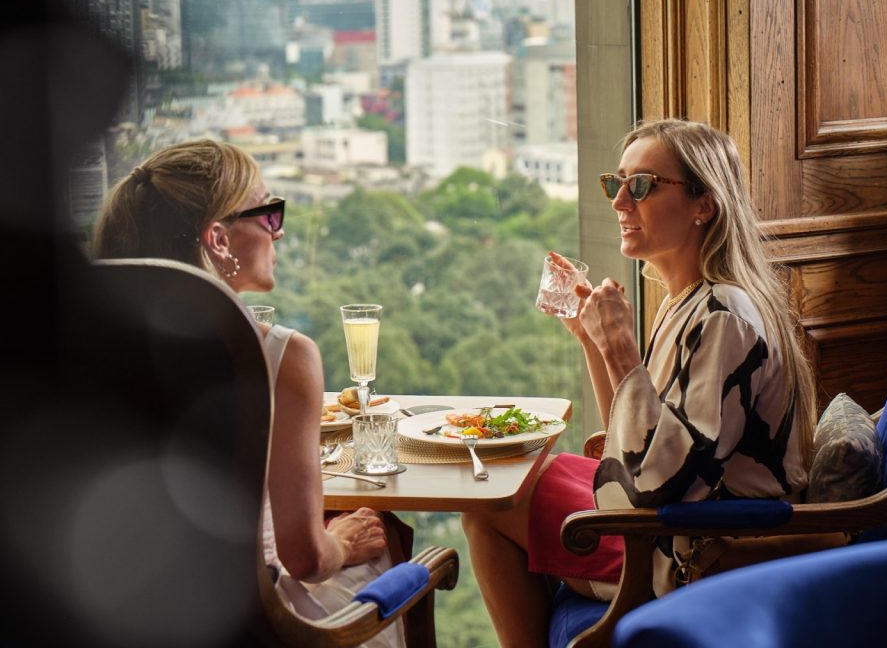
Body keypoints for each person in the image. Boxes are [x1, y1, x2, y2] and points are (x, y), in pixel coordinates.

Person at [461, 119, 817, 647]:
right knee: (516, 476)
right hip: (669, 515)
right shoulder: (688, 299)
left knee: (488, 510)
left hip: (694, 547)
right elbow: (633, 444)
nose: (620, 201)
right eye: (616, 182)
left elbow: (665, 483)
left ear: (705, 205)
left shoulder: (722, 316)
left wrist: (623, 349)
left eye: (644, 185)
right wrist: (594, 342)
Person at [93, 139, 404, 646]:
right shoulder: (282, 356)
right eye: (268, 216)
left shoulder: (89, 343)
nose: (277, 234)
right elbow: (304, 557)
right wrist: (342, 546)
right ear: (217, 238)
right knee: (382, 543)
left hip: (117, 613)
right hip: (247, 621)